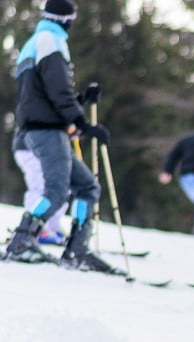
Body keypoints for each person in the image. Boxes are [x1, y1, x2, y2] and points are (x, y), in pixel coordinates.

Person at [3, 0, 116, 273]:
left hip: (42, 126)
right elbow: (57, 90)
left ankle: (76, 249)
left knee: (88, 187)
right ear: (65, 19)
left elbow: (46, 94)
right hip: (45, 130)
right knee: (55, 190)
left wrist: (83, 101)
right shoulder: (49, 41)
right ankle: (22, 240)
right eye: (72, 18)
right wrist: (81, 122)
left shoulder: (39, 41)